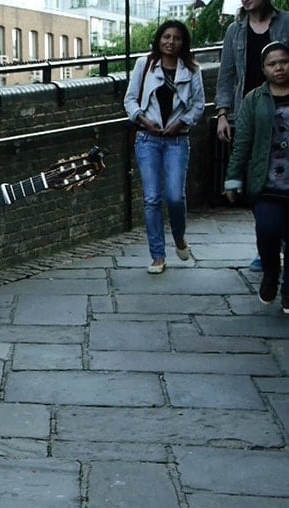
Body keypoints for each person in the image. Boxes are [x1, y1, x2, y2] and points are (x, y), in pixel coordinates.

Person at [124, 20, 205, 274]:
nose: (171, 42)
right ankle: (157, 256)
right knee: (151, 198)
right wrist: (143, 119)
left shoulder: (192, 69)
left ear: (184, 42)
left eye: (177, 38)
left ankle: (179, 236)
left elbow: (198, 105)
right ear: (159, 39)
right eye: (166, 37)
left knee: (174, 195)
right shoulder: (144, 65)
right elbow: (129, 99)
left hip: (177, 140)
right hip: (147, 139)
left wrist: (180, 122)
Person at [214, 0, 289, 271]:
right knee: (258, 181)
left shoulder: (285, 22)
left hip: (283, 108)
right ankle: (266, 246)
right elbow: (227, 73)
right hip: (251, 112)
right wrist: (223, 113)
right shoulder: (235, 30)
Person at [224, 40, 289, 313]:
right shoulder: (254, 99)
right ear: (263, 69)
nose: (279, 68)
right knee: (267, 231)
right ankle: (271, 274)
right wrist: (233, 178)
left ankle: (288, 290)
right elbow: (242, 142)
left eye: (284, 62)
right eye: (272, 64)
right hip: (266, 182)